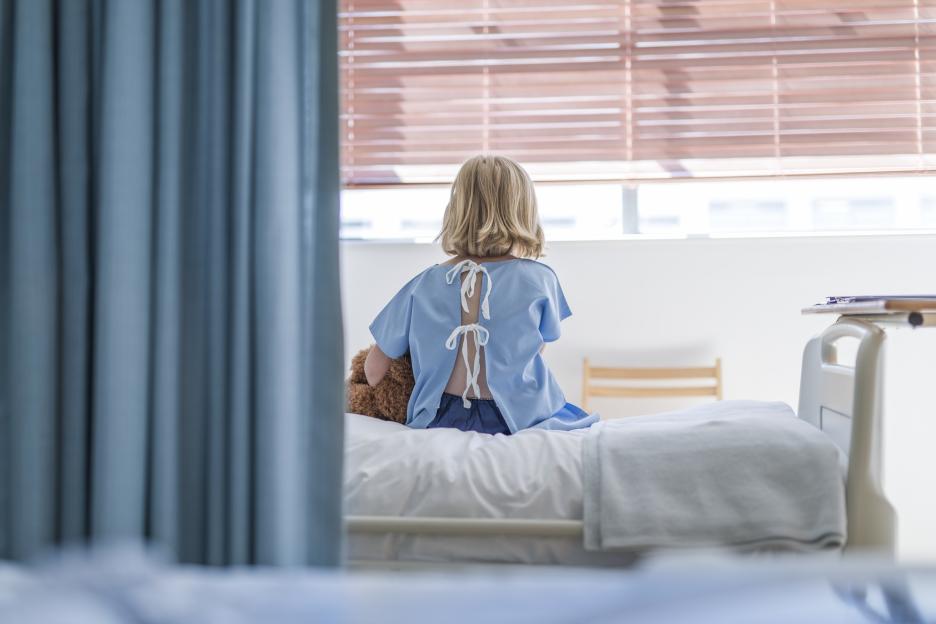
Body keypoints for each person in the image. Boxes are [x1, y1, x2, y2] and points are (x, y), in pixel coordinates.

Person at [364, 155, 597, 435]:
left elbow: (374, 371)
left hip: (439, 418)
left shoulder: (422, 284)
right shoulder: (540, 279)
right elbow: (534, 349)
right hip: (519, 416)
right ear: (524, 211)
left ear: (456, 210)